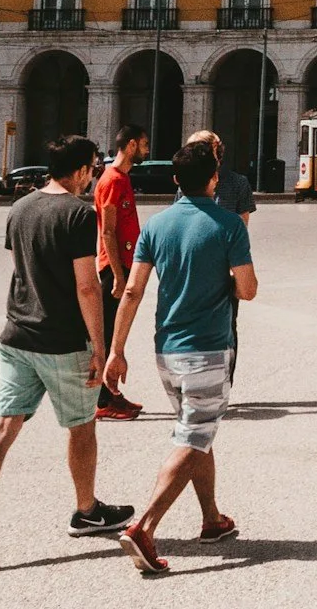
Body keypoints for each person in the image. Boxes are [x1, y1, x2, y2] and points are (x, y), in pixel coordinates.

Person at [0, 136, 134, 569]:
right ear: (81, 170)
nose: (93, 175)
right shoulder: (77, 213)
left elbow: (23, 268)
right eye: (92, 167)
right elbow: (87, 285)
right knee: (82, 427)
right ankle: (87, 511)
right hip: (63, 341)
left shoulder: (21, 207)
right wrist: (100, 346)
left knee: (2, 429)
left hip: (16, 336)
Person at [104, 139, 257, 575]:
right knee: (193, 438)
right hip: (208, 349)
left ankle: (211, 519)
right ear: (214, 179)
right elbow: (247, 289)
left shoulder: (156, 225)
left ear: (175, 180)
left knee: (196, 429)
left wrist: (117, 351)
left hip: (165, 351)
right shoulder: (229, 225)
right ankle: (144, 528)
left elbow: (131, 290)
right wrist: (226, 278)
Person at [91, 125, 147, 421]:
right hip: (114, 268)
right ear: (132, 145)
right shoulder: (111, 180)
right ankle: (103, 400)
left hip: (122, 265)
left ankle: (109, 395)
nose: (148, 149)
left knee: (113, 334)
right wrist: (118, 276)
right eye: (145, 144)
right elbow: (108, 231)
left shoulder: (121, 178)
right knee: (108, 335)